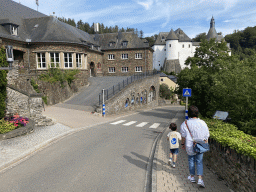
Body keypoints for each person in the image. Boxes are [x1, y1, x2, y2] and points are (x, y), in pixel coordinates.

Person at [180, 105, 209, 188]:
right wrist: (205, 143)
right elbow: (206, 135)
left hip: (190, 144)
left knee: (191, 160)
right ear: (197, 113)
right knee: (199, 161)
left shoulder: (185, 123)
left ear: (189, 114)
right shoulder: (203, 123)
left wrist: (182, 144)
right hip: (200, 144)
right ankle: (200, 179)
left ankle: (192, 177)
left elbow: (183, 136)